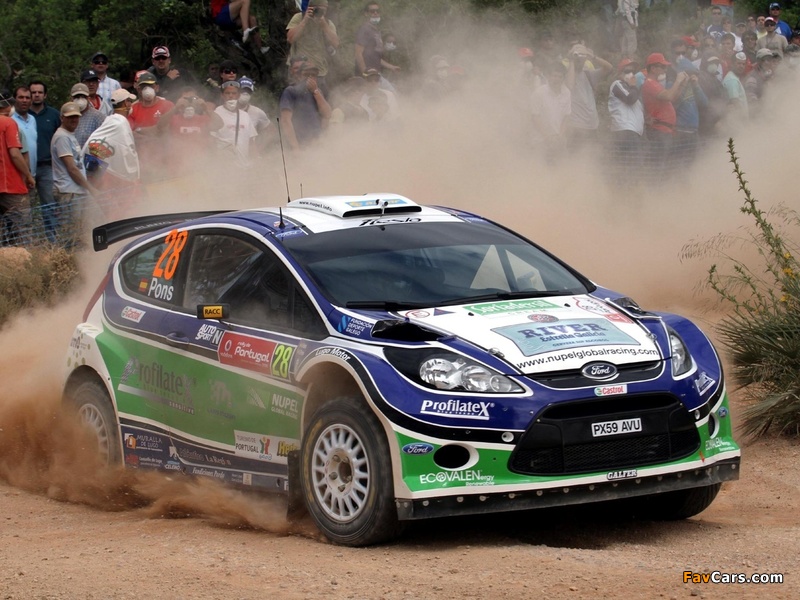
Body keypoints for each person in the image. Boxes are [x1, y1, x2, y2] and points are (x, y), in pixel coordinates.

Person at [81, 89, 141, 219]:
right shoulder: (121, 122)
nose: (130, 104)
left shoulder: (109, 120)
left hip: (99, 167)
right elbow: (127, 150)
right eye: (129, 101)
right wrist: (133, 174)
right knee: (117, 207)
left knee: (108, 204)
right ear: (125, 103)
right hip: (111, 173)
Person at [51, 102, 98, 247]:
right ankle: (69, 257)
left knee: (79, 230)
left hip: (75, 191)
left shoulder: (69, 135)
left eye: (76, 117)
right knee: (71, 233)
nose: (74, 120)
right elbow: (71, 168)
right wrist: (91, 188)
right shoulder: (62, 137)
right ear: (62, 118)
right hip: (68, 192)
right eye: (70, 117)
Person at [641, 53, 688, 175]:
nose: (664, 69)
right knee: (658, 167)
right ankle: (655, 186)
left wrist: (682, 85)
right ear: (653, 68)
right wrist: (677, 81)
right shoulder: (650, 83)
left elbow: (673, 98)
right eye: (662, 66)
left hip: (665, 130)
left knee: (665, 166)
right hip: (659, 131)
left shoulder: (655, 83)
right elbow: (668, 96)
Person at [28, 81, 61, 243]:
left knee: (49, 205)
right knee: (25, 207)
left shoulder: (54, 115)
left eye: (39, 92)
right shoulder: (22, 115)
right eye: (33, 92)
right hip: (25, 168)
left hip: (47, 167)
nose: (36, 95)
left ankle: (53, 241)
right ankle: (27, 242)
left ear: (45, 95)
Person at [0, 90, 35, 245]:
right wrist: (28, 175)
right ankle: (26, 257)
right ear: (7, 105)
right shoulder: (8, 123)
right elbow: (15, 154)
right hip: (10, 185)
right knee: (23, 228)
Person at [564, 43, 612, 152]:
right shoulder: (566, 73)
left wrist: (592, 56)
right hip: (575, 125)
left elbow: (609, 68)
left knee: (591, 156)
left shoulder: (589, 74)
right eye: (578, 57)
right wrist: (571, 60)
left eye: (582, 57)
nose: (580, 60)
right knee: (574, 156)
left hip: (592, 124)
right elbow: (570, 85)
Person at [128, 71, 174, 181]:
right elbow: (130, 133)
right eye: (144, 86)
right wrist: (153, 132)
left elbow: (164, 130)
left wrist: (140, 130)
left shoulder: (167, 105)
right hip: (142, 158)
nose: (147, 89)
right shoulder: (133, 108)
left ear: (157, 88)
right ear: (139, 89)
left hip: (164, 157)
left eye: (151, 86)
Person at [286, 0, 339, 94]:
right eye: (317, 9)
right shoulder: (299, 17)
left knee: (318, 97)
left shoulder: (327, 23)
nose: (320, 12)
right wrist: (305, 20)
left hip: (319, 70)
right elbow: (290, 39)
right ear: (310, 8)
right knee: (296, 96)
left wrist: (324, 25)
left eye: (323, 10)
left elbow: (336, 43)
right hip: (298, 70)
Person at [160, 86, 216, 174]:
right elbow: (160, 126)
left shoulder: (203, 118)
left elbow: (219, 124)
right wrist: (175, 108)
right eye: (185, 99)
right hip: (177, 165)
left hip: (199, 163)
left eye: (192, 98)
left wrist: (205, 108)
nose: (189, 102)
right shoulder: (173, 118)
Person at [279, 62, 331, 151]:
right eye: (306, 75)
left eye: (313, 75)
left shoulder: (317, 92)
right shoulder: (290, 91)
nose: (310, 78)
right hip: (301, 144)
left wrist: (316, 92)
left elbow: (327, 114)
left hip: (318, 144)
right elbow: (285, 120)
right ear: (299, 76)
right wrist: (295, 147)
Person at [608, 58, 643, 181]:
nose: (631, 74)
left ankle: (625, 190)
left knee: (631, 168)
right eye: (627, 71)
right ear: (620, 73)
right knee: (629, 168)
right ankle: (623, 191)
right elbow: (630, 99)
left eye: (633, 71)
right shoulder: (617, 84)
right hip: (624, 131)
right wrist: (634, 86)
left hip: (631, 132)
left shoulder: (632, 89)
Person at [529, 61, 571, 164]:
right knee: (539, 169)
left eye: (560, 77)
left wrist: (560, 136)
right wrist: (547, 137)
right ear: (548, 76)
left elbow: (567, 116)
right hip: (540, 141)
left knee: (561, 168)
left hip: (558, 141)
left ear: (563, 78)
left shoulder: (567, 93)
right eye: (554, 76)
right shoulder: (539, 93)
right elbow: (535, 117)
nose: (556, 79)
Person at [211, 81, 257, 166]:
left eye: (234, 93)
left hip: (244, 166)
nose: (231, 96)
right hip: (223, 166)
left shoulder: (245, 115)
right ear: (222, 95)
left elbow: (251, 141)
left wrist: (255, 160)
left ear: (238, 96)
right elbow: (211, 140)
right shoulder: (217, 113)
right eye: (227, 93)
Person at [354, 3, 399, 78]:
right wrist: (365, 72)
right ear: (366, 13)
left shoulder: (376, 31)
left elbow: (375, 57)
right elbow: (358, 53)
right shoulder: (364, 30)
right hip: (368, 76)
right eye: (372, 11)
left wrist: (391, 67)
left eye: (378, 11)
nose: (375, 13)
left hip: (376, 75)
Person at [237, 77, 275, 152]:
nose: (245, 94)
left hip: (250, 154)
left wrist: (259, 149)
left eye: (248, 91)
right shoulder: (225, 110)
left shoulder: (257, 112)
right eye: (242, 90)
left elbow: (272, 130)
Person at [11, 87, 37, 179]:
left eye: (27, 98)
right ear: (14, 99)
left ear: (31, 101)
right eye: (21, 97)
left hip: (32, 173)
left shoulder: (32, 119)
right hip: (16, 174)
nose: (24, 100)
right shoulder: (10, 120)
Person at [70, 82, 105, 148]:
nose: (80, 99)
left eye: (83, 97)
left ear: (88, 98)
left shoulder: (98, 117)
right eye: (77, 97)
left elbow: (103, 140)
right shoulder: (68, 117)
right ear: (71, 99)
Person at [722, 52, 749, 123]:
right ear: (732, 64)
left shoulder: (734, 78)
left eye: (743, 64)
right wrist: (746, 122)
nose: (741, 66)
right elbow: (735, 102)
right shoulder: (732, 80)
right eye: (739, 63)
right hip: (736, 122)